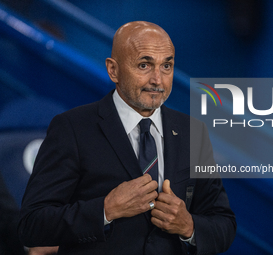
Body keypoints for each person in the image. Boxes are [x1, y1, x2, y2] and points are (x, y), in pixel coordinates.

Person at [18, 21, 236, 254]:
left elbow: (224, 224)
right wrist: (106, 210)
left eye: (166, 66)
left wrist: (188, 226)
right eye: (144, 65)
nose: (158, 80)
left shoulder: (193, 132)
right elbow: (32, 225)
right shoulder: (72, 128)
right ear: (113, 70)